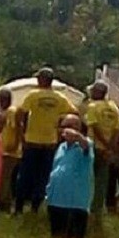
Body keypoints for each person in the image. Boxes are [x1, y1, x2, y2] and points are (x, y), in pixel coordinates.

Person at [15, 67, 77, 214]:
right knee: (43, 176)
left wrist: (21, 131)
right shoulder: (60, 98)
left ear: (42, 80)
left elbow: (20, 113)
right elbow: (74, 112)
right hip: (50, 142)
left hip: (32, 141)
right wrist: (59, 125)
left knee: (25, 175)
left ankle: (18, 207)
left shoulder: (33, 95)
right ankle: (35, 207)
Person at [46, 114, 94, 238]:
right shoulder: (60, 148)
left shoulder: (85, 146)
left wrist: (78, 137)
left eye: (73, 126)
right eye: (66, 126)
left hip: (75, 202)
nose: (68, 130)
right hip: (56, 200)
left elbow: (86, 146)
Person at [84, 80, 119, 222]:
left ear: (96, 92)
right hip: (107, 150)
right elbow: (118, 130)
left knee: (88, 178)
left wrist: (104, 144)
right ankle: (97, 211)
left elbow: (94, 127)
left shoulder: (93, 106)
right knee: (102, 181)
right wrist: (110, 146)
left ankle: (85, 208)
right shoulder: (114, 108)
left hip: (93, 147)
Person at [0, 87, 22, 214]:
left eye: (3, 99)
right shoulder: (3, 112)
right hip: (3, 149)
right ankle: (3, 202)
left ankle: (2, 203)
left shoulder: (11, 112)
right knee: (3, 177)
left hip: (10, 151)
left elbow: (17, 128)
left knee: (4, 178)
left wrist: (15, 145)